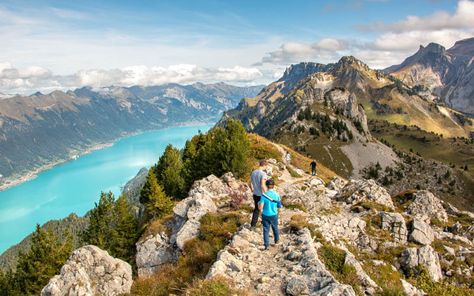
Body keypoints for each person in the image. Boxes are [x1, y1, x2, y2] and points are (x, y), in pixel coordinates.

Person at [259, 178, 281, 250]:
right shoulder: (277, 195)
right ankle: (277, 241)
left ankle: (266, 245)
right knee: (275, 228)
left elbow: (260, 207)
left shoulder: (264, 195)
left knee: (266, 230)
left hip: (265, 215)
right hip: (274, 214)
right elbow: (279, 206)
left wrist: (260, 208)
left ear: (266, 186)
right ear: (273, 186)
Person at [249, 160, 267, 228]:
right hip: (262, 195)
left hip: (255, 194)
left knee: (256, 209)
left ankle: (253, 225)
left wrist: (252, 189)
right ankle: (265, 223)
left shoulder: (253, 172)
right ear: (265, 165)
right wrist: (267, 193)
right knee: (265, 208)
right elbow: (262, 185)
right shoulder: (263, 174)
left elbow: (249, 183)